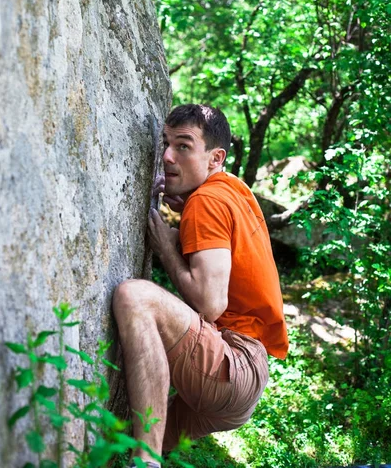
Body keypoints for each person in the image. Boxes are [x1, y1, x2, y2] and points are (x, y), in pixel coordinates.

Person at [113, 104, 289, 468]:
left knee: (136, 297)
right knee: (115, 438)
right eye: (166, 143)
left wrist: (166, 249)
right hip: (242, 383)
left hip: (231, 365)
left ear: (215, 157)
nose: (166, 156)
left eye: (184, 146)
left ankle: (145, 463)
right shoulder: (233, 190)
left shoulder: (207, 200)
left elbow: (210, 304)